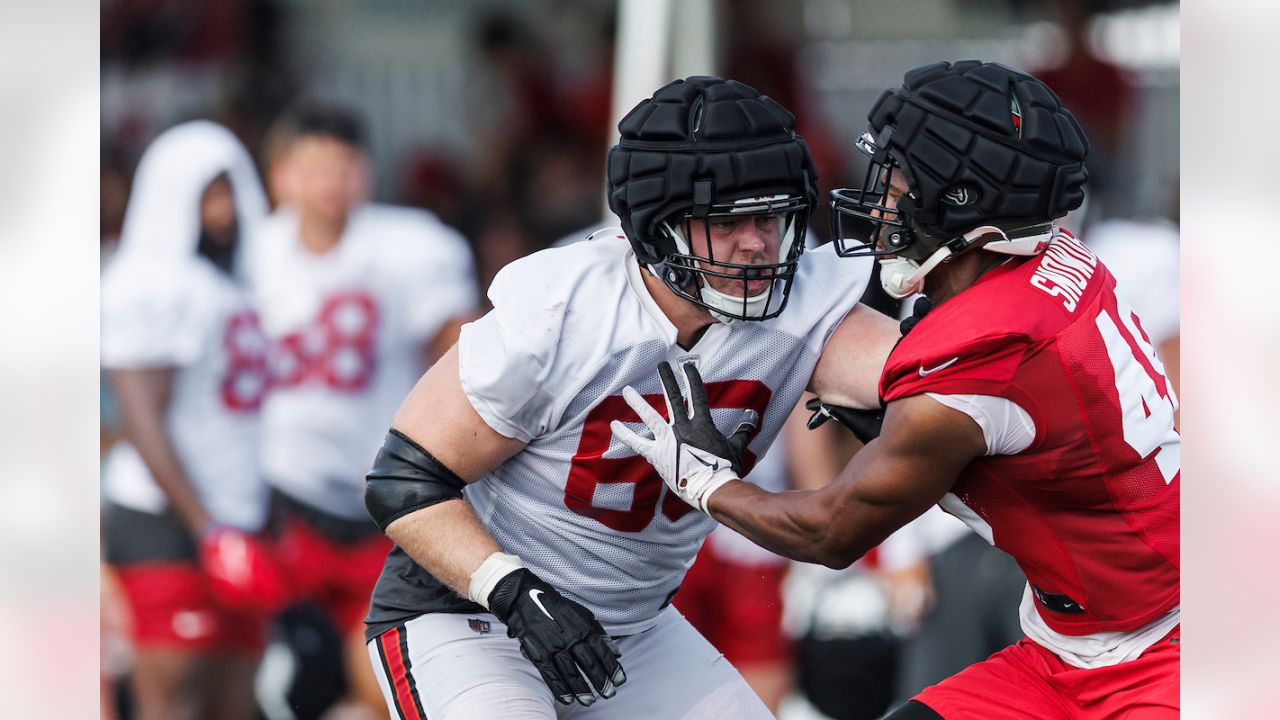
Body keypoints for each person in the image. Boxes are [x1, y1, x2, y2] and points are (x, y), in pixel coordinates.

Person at [616, 61, 1180, 719]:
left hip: (1157, 660)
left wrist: (706, 483)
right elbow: (1015, 436)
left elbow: (832, 532)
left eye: (902, 179)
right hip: (1072, 645)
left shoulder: (984, 350)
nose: (883, 198)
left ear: (963, 202)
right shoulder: (1060, 264)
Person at [360, 76, 900, 719]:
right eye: (726, 222)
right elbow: (403, 484)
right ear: (658, 226)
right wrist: (510, 590)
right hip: (471, 612)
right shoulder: (568, 308)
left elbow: (937, 384)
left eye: (770, 216)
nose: (755, 243)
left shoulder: (807, 299)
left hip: (635, 629)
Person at [242, 101, 480, 716]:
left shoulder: (412, 248)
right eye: (313, 166)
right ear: (281, 175)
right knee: (274, 681)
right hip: (281, 502)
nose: (329, 182)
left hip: (383, 502)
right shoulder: (250, 254)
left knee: (380, 678)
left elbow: (467, 364)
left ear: (366, 172)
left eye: (344, 165)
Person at [101, 120, 281, 720]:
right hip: (168, 523)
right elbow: (142, 418)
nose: (225, 211)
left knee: (237, 700)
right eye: (208, 195)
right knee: (175, 698)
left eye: (230, 191)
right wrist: (207, 528)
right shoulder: (153, 283)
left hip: (236, 517)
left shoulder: (234, 282)